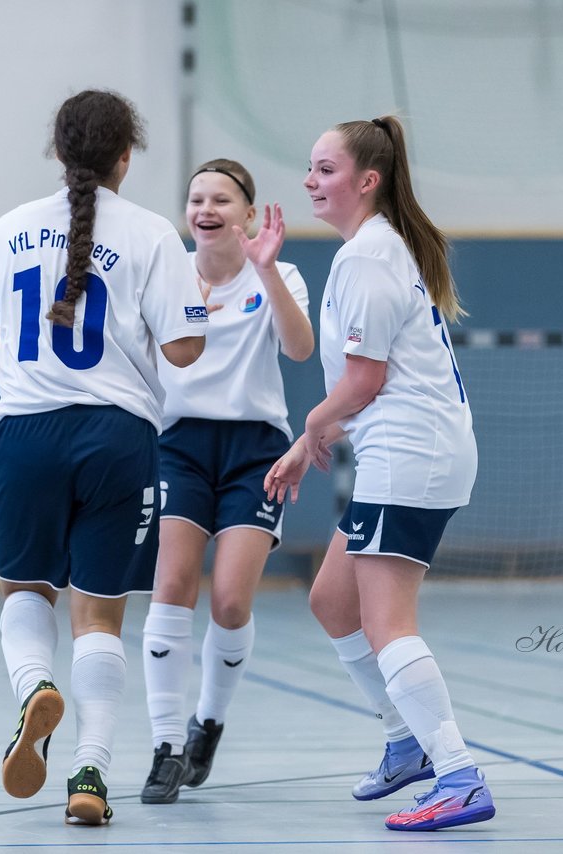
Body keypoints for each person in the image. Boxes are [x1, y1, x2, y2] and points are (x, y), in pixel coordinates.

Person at [0, 89, 206, 827]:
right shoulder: (152, 234)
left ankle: (34, 687)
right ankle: (90, 776)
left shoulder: (9, 229)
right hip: (116, 438)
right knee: (101, 618)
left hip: (26, 435)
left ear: (58, 153)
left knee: (23, 591)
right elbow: (184, 348)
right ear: (125, 159)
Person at [265, 116, 495, 832]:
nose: (310, 180)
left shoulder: (368, 256)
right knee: (333, 600)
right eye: (309, 167)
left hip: (412, 453)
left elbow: (366, 379)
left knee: (386, 620)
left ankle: (457, 772)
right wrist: (316, 436)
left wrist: (310, 427)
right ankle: (407, 740)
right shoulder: (372, 251)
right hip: (406, 450)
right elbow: (359, 386)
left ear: (368, 180)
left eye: (325, 169)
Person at [140, 160, 314, 803]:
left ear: (247, 213)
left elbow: (300, 350)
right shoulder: (167, 275)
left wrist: (267, 270)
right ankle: (165, 748)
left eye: (221, 199)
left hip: (254, 451)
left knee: (231, 603)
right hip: (179, 445)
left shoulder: (278, 273)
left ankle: (207, 720)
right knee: (173, 584)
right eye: (196, 199)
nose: (206, 208)